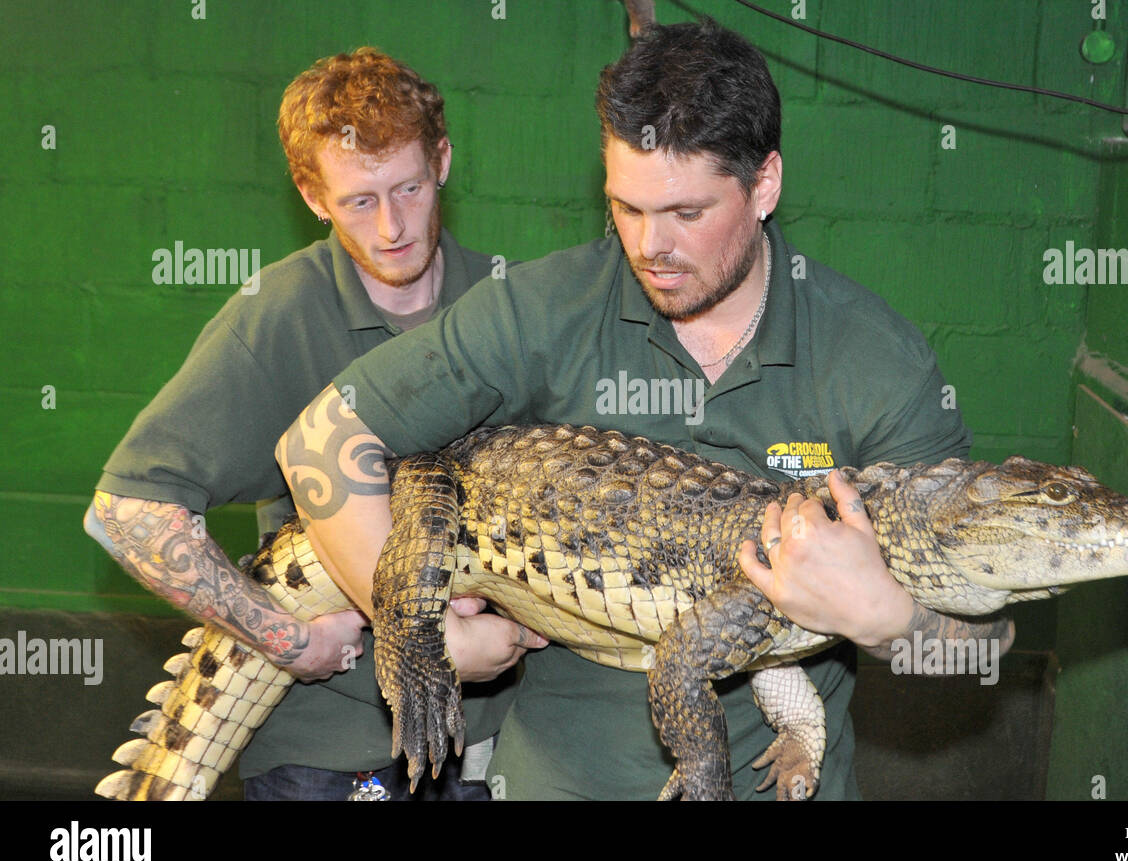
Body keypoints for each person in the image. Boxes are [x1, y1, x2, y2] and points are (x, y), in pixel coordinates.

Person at [275, 21, 1008, 800]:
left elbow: (984, 653)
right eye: (626, 207)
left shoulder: (876, 360)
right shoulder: (544, 307)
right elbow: (321, 441)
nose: (650, 244)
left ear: (764, 185)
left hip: (773, 782)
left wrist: (890, 619)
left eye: (686, 213)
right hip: (561, 776)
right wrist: (420, 631)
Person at [84, 48, 543, 801]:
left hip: (487, 737)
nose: (393, 225)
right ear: (312, 195)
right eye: (360, 200)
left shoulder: (508, 303)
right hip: (331, 748)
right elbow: (127, 511)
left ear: (443, 163)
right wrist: (288, 640)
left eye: (409, 188)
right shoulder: (277, 316)